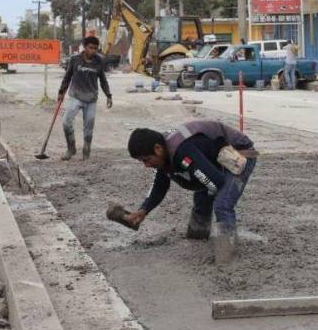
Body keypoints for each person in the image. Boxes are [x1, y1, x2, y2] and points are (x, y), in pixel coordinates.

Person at [124, 120, 258, 264]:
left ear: (157, 149)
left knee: (222, 203)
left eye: (146, 160)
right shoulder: (163, 150)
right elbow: (160, 185)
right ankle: (198, 236)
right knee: (203, 190)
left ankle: (227, 255)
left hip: (239, 154)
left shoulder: (182, 151)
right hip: (213, 158)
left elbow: (217, 182)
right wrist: (144, 210)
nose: (146, 165)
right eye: (142, 162)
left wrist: (209, 190)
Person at [58, 36, 113, 161]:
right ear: (85, 47)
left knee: (89, 127)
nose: (93, 50)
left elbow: (103, 80)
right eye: (90, 48)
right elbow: (67, 76)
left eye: (95, 48)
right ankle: (71, 149)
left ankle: (86, 151)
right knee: (66, 122)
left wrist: (109, 95)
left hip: (91, 99)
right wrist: (61, 91)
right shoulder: (75, 60)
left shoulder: (99, 61)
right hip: (76, 96)